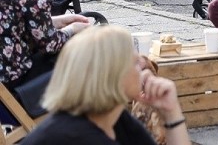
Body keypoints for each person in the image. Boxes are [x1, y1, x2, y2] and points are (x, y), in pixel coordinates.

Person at [24, 25, 191, 145]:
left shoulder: (114, 118)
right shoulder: (78, 137)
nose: (144, 68)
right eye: (135, 63)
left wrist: (171, 112)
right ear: (112, 75)